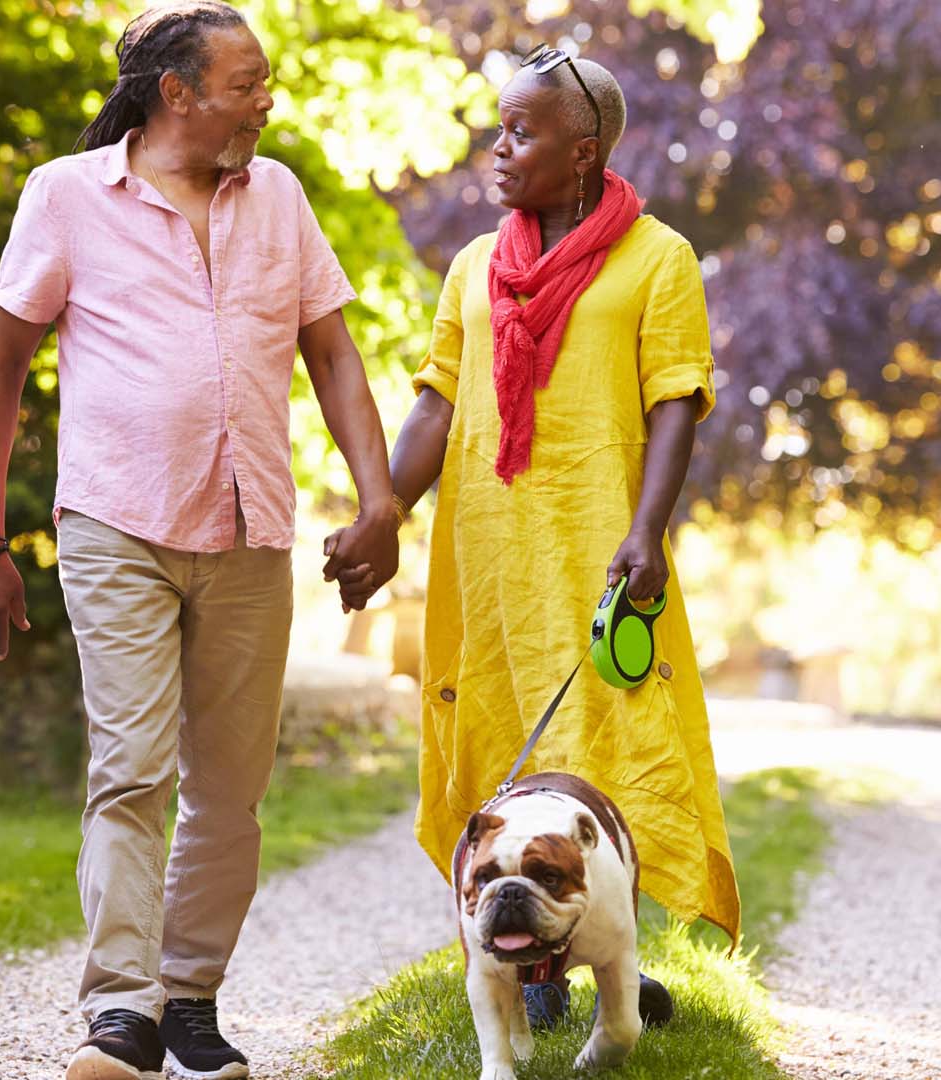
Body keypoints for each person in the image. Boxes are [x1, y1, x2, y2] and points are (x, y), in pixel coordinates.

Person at [0, 4, 398, 1078]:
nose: (266, 101)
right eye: (248, 84)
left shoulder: (278, 196)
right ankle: (121, 1010)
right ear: (178, 95)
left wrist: (377, 499)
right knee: (133, 769)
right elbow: (0, 370)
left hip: (251, 531)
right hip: (118, 524)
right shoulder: (68, 195)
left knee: (231, 788)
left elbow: (333, 356)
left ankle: (189, 997)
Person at [365, 45, 741, 1027]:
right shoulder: (473, 267)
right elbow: (436, 410)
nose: (498, 149)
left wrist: (648, 530)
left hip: (600, 547)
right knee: (496, 742)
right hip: (487, 554)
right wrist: (380, 513)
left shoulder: (658, 260)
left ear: (582, 152)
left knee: (607, 750)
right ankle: (527, 962)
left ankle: (601, 951)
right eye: (499, 127)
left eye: (521, 132)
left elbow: (675, 404)